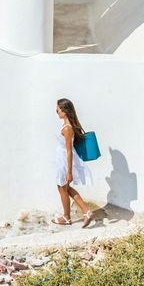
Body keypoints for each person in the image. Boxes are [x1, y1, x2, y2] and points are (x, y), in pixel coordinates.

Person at [53, 97, 94, 228]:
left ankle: (66, 217)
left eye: (58, 109)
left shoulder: (67, 128)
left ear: (64, 110)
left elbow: (69, 151)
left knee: (62, 188)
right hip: (62, 160)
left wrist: (69, 172)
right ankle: (86, 212)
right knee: (65, 188)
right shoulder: (66, 126)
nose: (56, 111)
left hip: (65, 161)